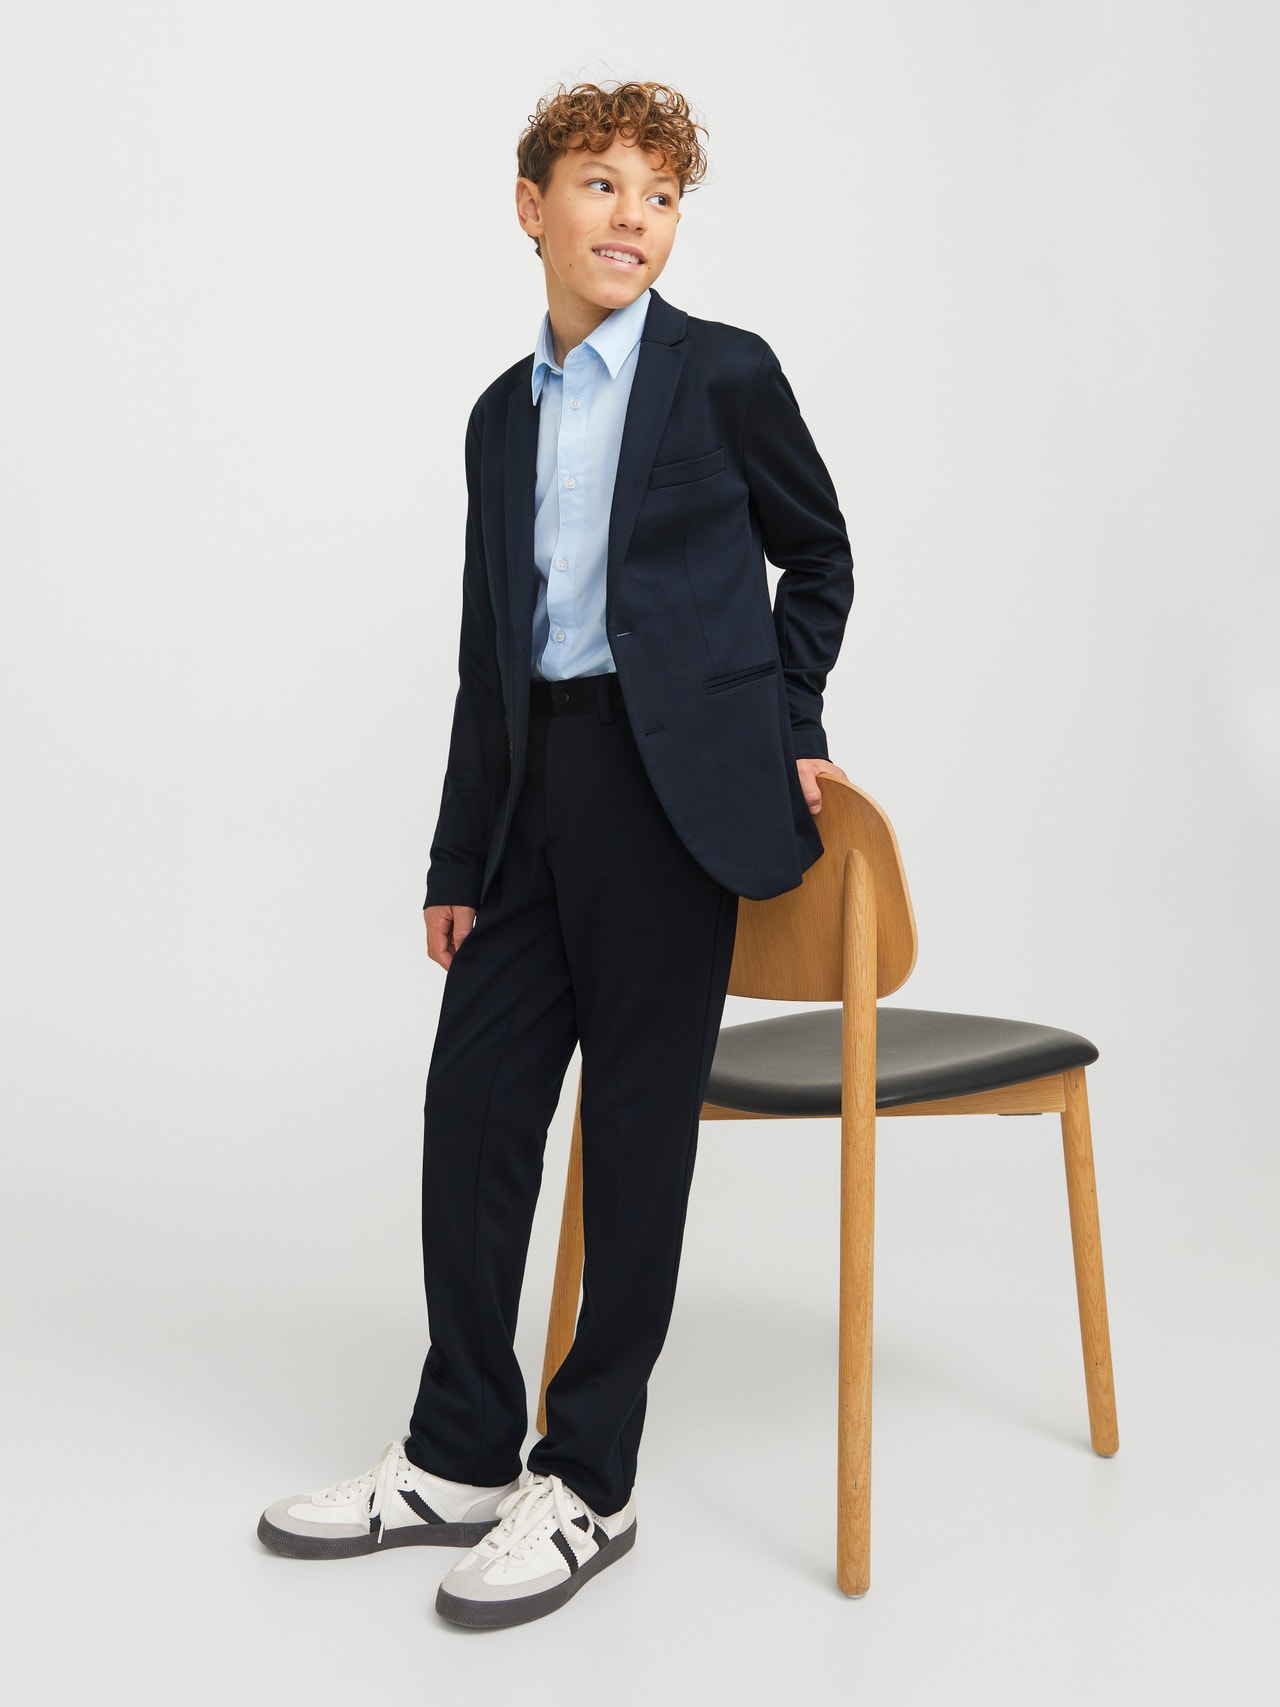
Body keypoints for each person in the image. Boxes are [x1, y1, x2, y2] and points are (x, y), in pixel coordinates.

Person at [257, 78, 854, 1630]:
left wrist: (788, 718)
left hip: (673, 800)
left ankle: (591, 1478)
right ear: (533, 208)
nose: (632, 217)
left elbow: (818, 553)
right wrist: (458, 860)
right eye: (602, 185)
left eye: (660, 195)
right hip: (537, 800)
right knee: (475, 1112)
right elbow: (490, 652)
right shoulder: (498, 418)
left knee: (635, 1134)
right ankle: (458, 1451)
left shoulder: (725, 375)